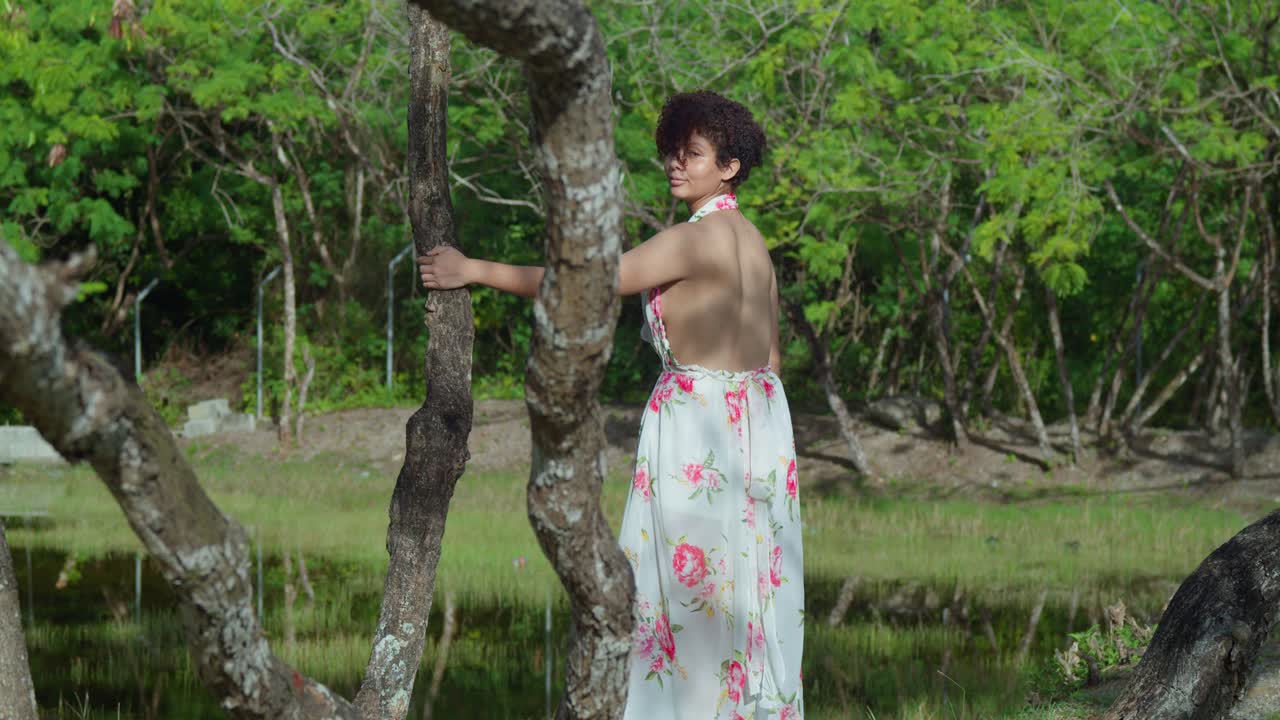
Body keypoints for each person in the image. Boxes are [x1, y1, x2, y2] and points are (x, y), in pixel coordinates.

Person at [419, 90, 804, 720]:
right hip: (758, 428)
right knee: (744, 591)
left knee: (685, 594)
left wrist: (474, 268)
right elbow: (773, 360)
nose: (676, 164)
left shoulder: (692, 240)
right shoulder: (756, 246)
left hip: (699, 431)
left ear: (729, 165)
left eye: (694, 154)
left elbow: (585, 282)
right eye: (672, 152)